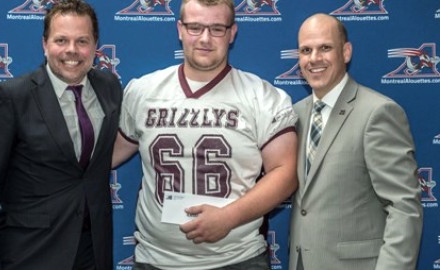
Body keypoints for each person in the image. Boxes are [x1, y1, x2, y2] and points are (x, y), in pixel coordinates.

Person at [111, 0, 298, 268]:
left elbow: (285, 172)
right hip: (155, 260)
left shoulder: (263, 97)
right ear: (180, 29)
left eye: (217, 29)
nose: (205, 39)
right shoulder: (143, 92)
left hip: (237, 258)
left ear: (232, 32)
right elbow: (107, 154)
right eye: (195, 27)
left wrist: (229, 217)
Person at [0, 1, 122, 269]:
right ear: (45, 44)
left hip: (93, 252)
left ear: (95, 45)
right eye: (61, 40)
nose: (71, 50)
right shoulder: (12, 97)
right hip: (31, 252)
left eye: (82, 41)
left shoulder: (109, 87)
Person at [289, 13, 423, 270]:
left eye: (325, 48)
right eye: (306, 50)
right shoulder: (295, 115)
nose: (314, 58)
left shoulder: (378, 113)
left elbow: (403, 208)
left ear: (346, 52)